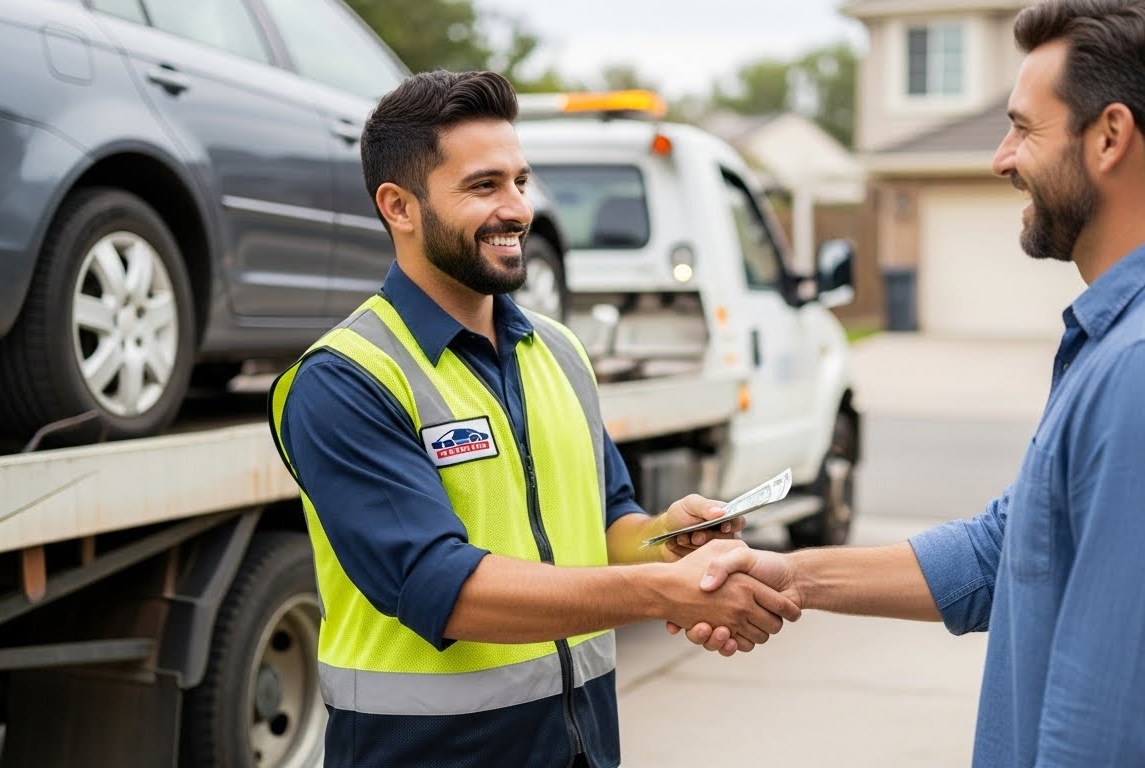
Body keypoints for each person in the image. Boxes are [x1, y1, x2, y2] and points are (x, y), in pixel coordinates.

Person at [678, 1, 1145, 765]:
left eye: (1024, 127)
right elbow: (1001, 553)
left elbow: (1110, 742)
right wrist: (788, 575)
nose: (1001, 158)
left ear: (1110, 137)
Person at [267, 70, 798, 768]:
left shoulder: (558, 351)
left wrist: (668, 540)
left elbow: (608, 525)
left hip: (579, 746)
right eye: (483, 186)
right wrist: (654, 592)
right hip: (426, 753)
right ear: (399, 206)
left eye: (520, 181)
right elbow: (440, 589)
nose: (517, 208)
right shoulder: (345, 378)